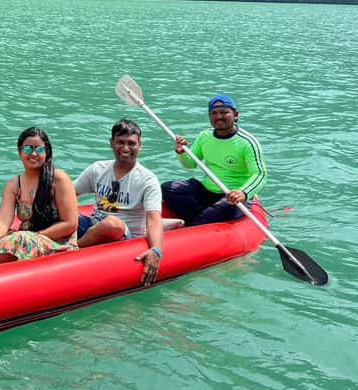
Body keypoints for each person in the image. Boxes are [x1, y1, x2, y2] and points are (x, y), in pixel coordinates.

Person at [0, 128, 79, 269]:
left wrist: (34, 236)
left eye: (39, 149)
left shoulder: (58, 178)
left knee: (22, 239)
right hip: (27, 238)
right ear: (19, 151)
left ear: (47, 152)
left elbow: (70, 224)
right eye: (28, 149)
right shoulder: (14, 184)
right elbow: (3, 221)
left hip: (58, 243)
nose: (33, 154)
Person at [74, 119, 165, 286]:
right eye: (120, 142)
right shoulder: (97, 169)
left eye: (131, 143)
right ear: (111, 143)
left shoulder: (147, 179)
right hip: (93, 224)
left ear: (140, 146)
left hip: (124, 235)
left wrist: (156, 250)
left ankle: (71, 251)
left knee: (112, 224)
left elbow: (153, 218)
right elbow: (70, 195)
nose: (125, 148)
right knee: (57, 210)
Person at [161, 94, 267, 226]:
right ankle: (204, 218)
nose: (219, 117)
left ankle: (196, 224)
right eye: (214, 113)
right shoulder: (204, 136)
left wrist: (243, 192)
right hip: (207, 191)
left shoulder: (247, 142)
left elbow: (260, 174)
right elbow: (191, 164)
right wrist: (181, 152)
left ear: (236, 115)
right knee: (168, 188)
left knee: (228, 206)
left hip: (232, 195)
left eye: (224, 112)